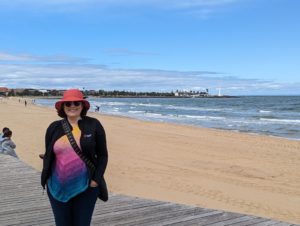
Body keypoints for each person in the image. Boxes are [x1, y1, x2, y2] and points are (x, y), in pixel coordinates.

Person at [41, 89, 108, 226]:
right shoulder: (54, 127)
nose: (72, 106)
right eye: (68, 103)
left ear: (83, 105)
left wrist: (96, 180)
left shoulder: (94, 125)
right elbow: (49, 152)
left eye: (76, 102)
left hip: (86, 187)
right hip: (56, 186)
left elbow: (103, 155)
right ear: (63, 107)